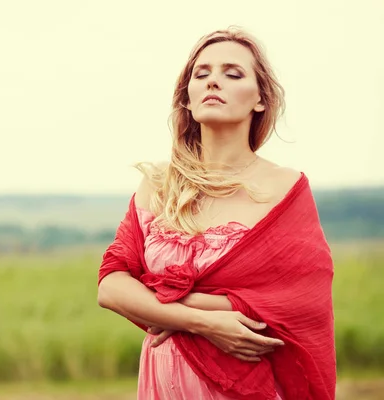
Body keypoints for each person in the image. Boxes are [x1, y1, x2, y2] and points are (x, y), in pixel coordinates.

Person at [97, 27, 336, 400]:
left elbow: (295, 301)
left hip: (243, 384)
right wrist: (203, 321)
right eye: (201, 74)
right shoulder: (159, 184)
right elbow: (110, 286)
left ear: (260, 99)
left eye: (232, 73)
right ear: (188, 99)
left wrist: (153, 301)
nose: (213, 82)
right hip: (163, 384)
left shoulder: (285, 188)